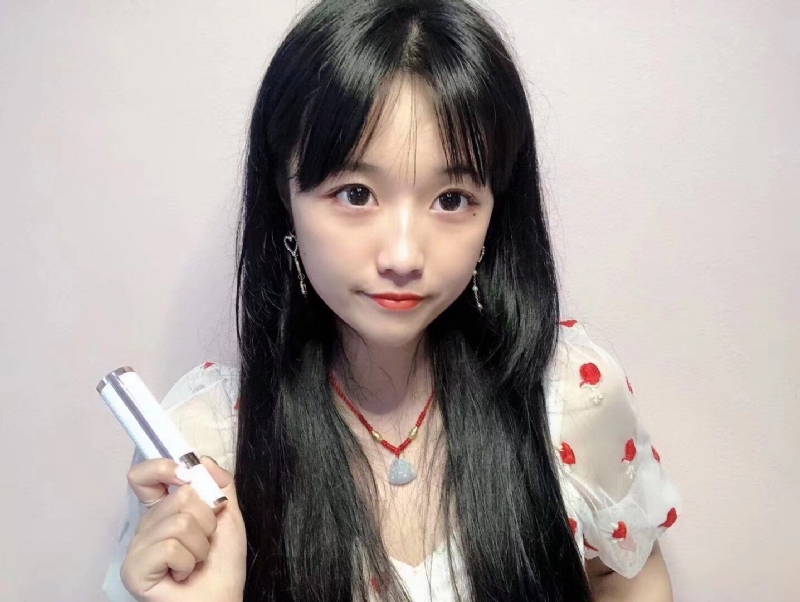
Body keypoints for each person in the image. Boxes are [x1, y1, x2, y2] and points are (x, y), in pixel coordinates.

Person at [102, 0, 682, 600]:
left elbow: (625, 579)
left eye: (452, 199)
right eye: (356, 193)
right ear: (284, 197)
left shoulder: (572, 397)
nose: (403, 256)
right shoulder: (209, 445)